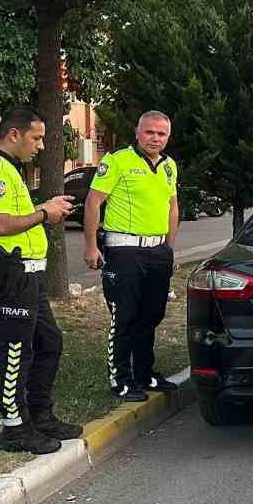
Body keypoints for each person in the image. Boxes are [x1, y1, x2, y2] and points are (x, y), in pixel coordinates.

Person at [0, 106, 79, 455]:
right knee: (16, 350)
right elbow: (0, 225)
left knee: (49, 343)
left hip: (29, 276)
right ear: (13, 135)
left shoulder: (12, 170)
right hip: (10, 275)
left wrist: (44, 207)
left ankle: (39, 415)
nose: (42, 146)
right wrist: (46, 212)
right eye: (37, 137)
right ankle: (13, 429)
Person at [85, 111, 179, 402]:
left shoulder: (169, 166)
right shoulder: (117, 160)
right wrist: (91, 245)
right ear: (138, 132)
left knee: (152, 314)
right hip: (124, 250)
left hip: (157, 250)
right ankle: (121, 379)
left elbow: (172, 208)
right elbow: (93, 201)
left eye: (161, 134)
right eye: (150, 132)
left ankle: (144, 374)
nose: (155, 138)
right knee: (124, 316)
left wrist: (168, 248)